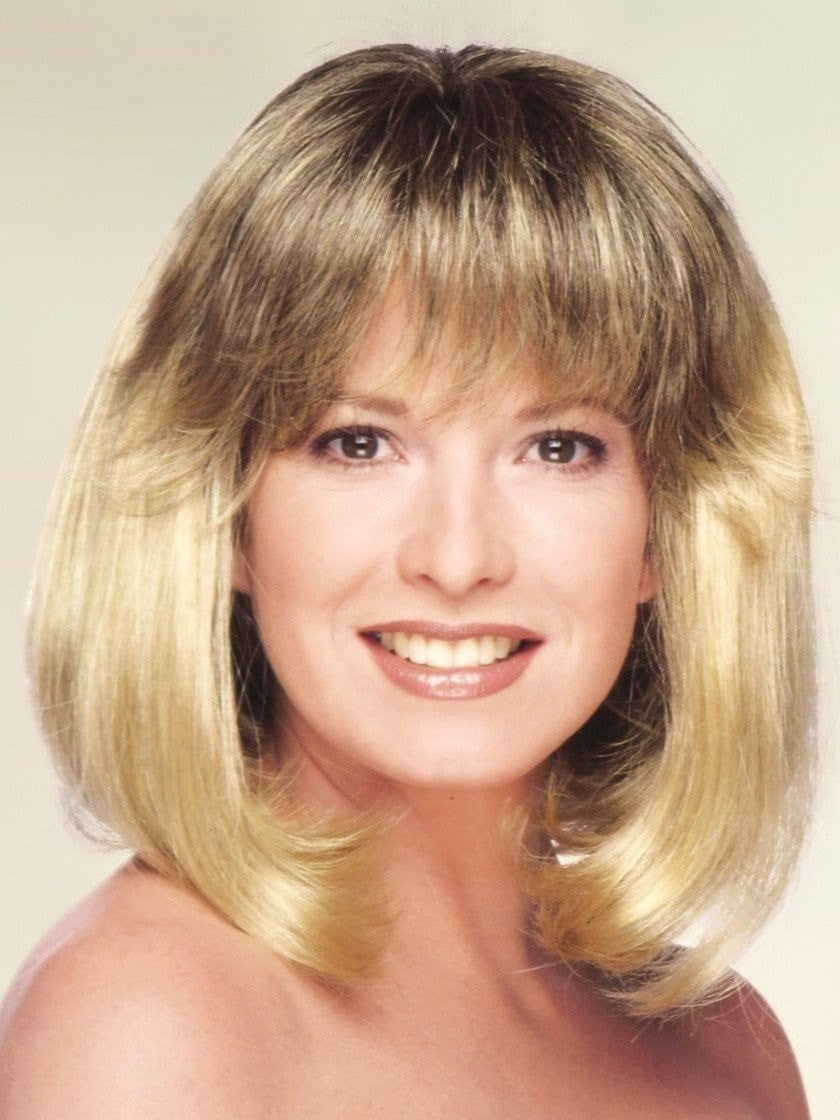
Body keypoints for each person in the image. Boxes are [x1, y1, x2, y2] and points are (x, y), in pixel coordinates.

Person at [0, 44, 814, 1118]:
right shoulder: (150, 1025)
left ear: (669, 530)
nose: (459, 558)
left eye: (559, 447)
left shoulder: (729, 1051)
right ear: (225, 513)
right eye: (359, 444)